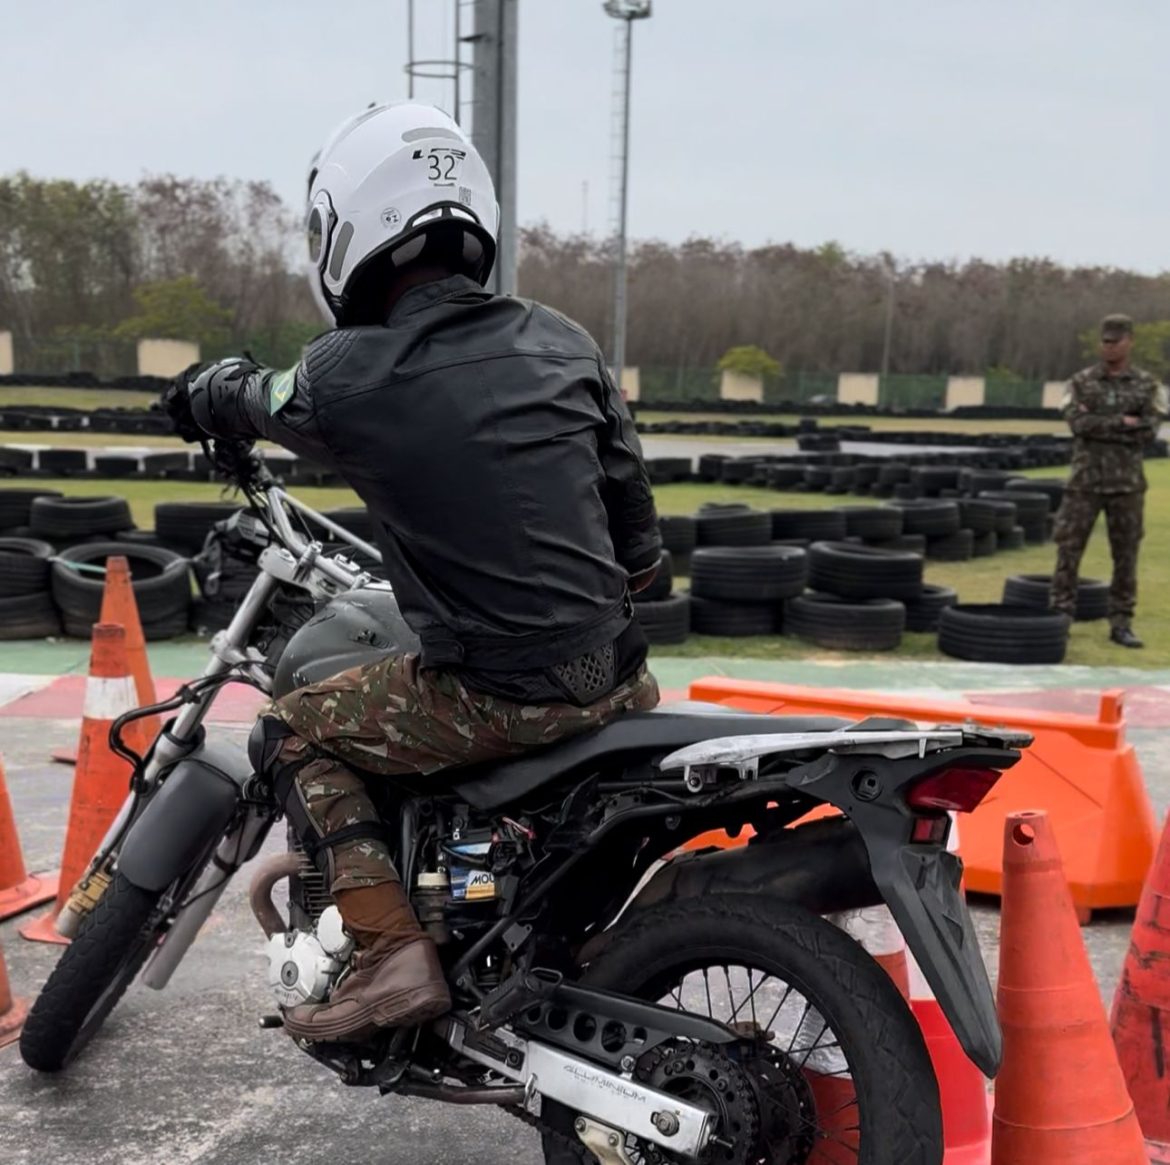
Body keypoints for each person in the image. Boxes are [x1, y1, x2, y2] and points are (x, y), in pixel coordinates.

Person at [162, 101, 662, 1042]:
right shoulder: (564, 338)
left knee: (294, 725)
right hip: (622, 678)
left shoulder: (349, 371)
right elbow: (638, 540)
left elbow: (254, 395)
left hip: (497, 688)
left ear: (350, 229)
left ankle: (390, 949)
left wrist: (199, 393)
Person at [1051, 313, 1168, 648]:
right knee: (1068, 551)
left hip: (1127, 486)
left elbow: (1149, 431)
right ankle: (1061, 615)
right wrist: (1123, 422)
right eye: (1105, 341)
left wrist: (1104, 421)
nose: (1109, 347)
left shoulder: (1147, 384)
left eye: (1115, 341)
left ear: (1129, 342)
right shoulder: (1080, 382)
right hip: (1084, 483)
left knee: (1126, 555)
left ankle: (1121, 622)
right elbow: (1078, 424)